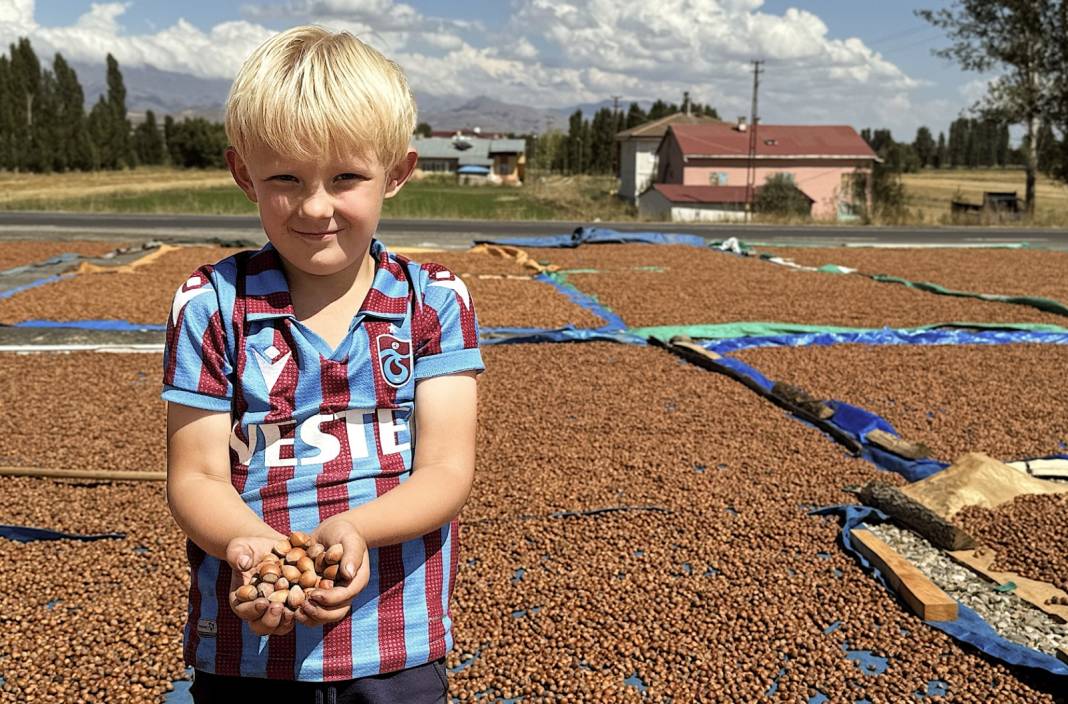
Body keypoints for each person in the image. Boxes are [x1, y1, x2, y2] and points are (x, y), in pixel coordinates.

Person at [163, 25, 481, 703]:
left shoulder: (433, 303)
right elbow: (194, 476)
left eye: (346, 178)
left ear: (397, 172)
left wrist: (356, 530)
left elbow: (448, 471)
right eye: (285, 178)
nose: (315, 206)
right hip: (248, 653)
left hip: (395, 644)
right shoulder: (211, 306)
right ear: (244, 173)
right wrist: (253, 549)